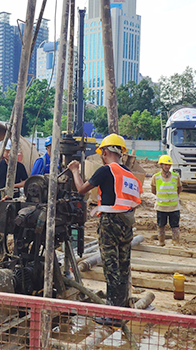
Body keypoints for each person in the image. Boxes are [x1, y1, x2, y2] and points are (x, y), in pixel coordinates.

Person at [67, 134, 141, 326]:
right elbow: (129, 202)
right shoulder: (131, 176)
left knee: (111, 268)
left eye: (102, 153)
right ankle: (122, 309)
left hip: (110, 224)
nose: (101, 156)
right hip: (127, 223)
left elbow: (81, 189)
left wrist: (75, 170)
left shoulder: (106, 170)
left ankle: (112, 315)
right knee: (123, 267)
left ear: (106, 152)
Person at [0, 140, 28, 253]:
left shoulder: (20, 166)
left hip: (15, 200)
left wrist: (14, 185)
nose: (9, 154)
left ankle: (17, 250)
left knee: (17, 224)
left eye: (11, 151)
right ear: (3, 152)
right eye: (7, 151)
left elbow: (25, 182)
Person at [151, 155, 181, 247]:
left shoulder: (176, 177)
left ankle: (175, 242)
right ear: (161, 165)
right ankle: (161, 242)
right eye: (165, 165)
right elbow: (153, 190)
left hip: (174, 206)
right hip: (161, 207)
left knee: (175, 226)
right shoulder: (156, 177)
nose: (167, 167)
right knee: (161, 226)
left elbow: (179, 188)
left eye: (169, 165)